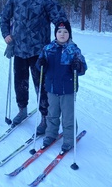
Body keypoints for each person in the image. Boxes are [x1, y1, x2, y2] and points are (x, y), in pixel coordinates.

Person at [0, 0, 69, 135]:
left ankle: (45, 117)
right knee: (20, 83)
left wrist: (63, 38)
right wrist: (6, 34)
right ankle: (22, 109)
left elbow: (59, 19)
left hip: (40, 51)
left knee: (42, 85)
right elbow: (4, 18)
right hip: (19, 50)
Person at [36, 22, 87, 151]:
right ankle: (51, 134)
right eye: (59, 32)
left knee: (68, 115)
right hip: (52, 88)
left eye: (65, 32)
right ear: (55, 34)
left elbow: (83, 68)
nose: (62, 34)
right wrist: (41, 63)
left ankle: (69, 139)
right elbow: (40, 66)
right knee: (52, 113)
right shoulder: (48, 49)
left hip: (67, 89)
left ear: (69, 34)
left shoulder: (74, 50)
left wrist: (78, 66)